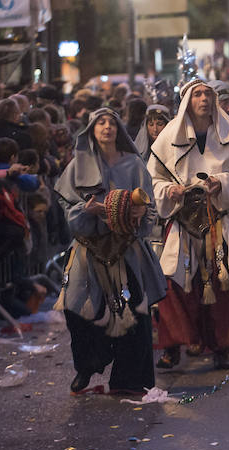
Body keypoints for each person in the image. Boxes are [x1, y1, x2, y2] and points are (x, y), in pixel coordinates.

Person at [54, 108, 165, 394]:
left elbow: (149, 206)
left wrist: (139, 213)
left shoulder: (134, 164)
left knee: (134, 309)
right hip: (88, 248)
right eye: (100, 122)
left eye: (112, 122)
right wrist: (86, 210)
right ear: (91, 129)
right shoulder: (77, 166)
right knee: (77, 309)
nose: (107, 127)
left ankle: (128, 379)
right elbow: (68, 207)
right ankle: (87, 366)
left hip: (126, 247)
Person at [148, 79, 229, 370]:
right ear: (187, 101)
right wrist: (168, 190)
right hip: (183, 219)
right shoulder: (170, 135)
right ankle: (173, 345)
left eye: (208, 93)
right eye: (198, 94)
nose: (204, 99)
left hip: (218, 218)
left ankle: (222, 346)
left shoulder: (228, 134)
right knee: (175, 288)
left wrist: (224, 183)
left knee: (223, 286)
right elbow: (153, 178)